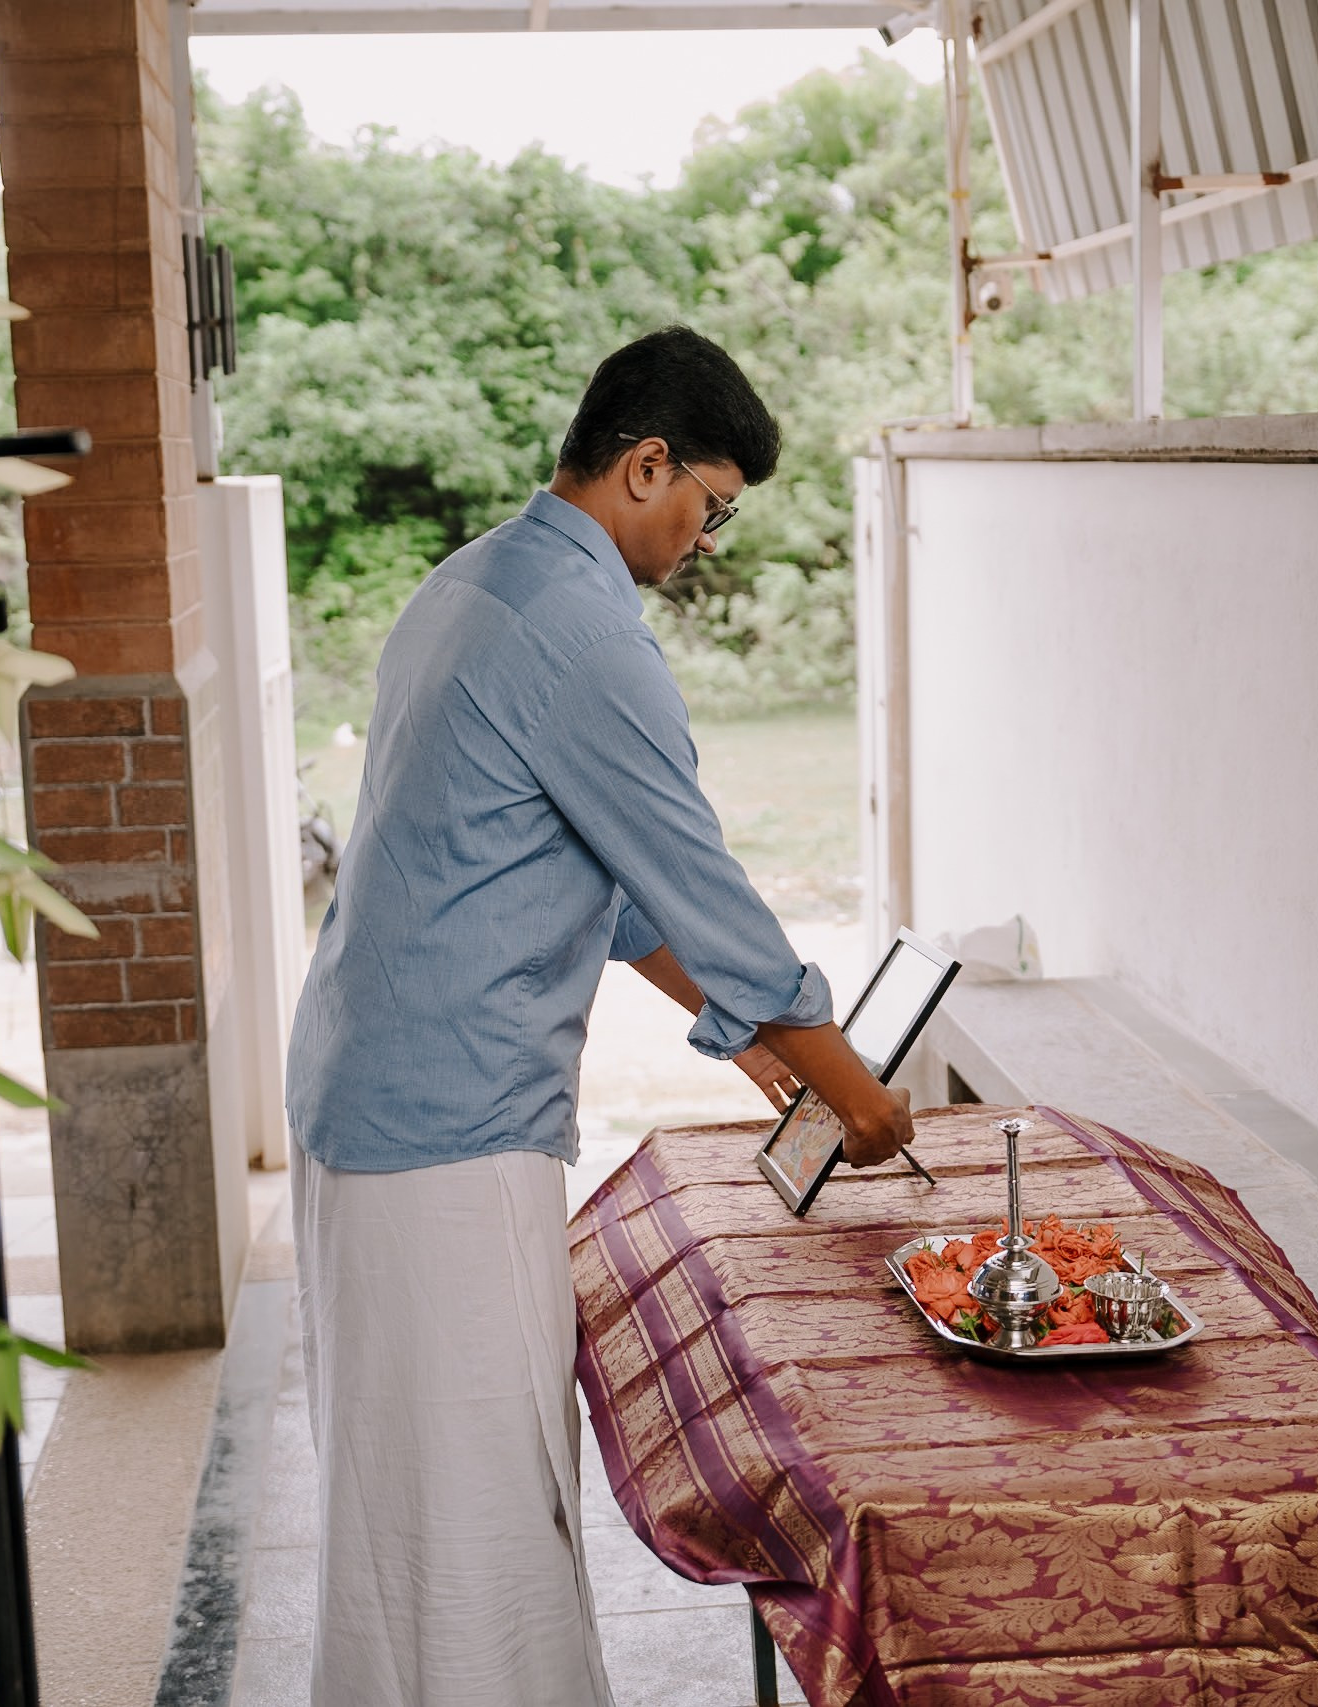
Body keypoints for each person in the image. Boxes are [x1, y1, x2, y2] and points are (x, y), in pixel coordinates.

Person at [285, 325, 915, 1706]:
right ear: (647, 465)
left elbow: (616, 906)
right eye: (711, 506)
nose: (707, 539)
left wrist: (763, 1051)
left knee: (406, 1525)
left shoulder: (473, 584)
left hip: (366, 1111)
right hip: (443, 1142)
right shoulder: (582, 635)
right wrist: (852, 1088)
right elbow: (705, 889)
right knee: (478, 1526)